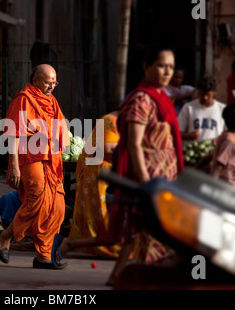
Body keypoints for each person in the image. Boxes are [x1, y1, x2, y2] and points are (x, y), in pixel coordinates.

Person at [53, 45, 185, 285]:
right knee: (134, 232)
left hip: (162, 179)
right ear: (146, 67)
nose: (167, 72)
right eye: (161, 66)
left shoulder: (162, 100)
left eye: (171, 67)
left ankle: (115, 273)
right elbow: (132, 145)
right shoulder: (141, 100)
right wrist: (146, 182)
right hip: (146, 179)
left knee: (128, 234)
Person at [0, 64, 70, 269]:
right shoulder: (23, 100)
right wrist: (14, 166)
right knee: (37, 201)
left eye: (54, 82)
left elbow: (60, 129)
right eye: (47, 82)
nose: (51, 86)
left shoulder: (52, 101)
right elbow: (13, 134)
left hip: (50, 160)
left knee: (57, 207)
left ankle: (43, 256)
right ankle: (6, 237)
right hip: (29, 158)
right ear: (35, 80)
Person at [66, 111, 122, 259]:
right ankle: (73, 243)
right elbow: (108, 151)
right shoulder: (110, 121)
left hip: (112, 171)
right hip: (99, 170)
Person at [177, 75, 226, 143]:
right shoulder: (188, 107)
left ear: (215, 92)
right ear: (199, 91)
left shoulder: (223, 109)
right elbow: (177, 132)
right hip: (194, 151)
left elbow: (228, 134)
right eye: (202, 94)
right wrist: (189, 136)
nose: (205, 97)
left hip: (215, 151)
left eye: (208, 95)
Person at [210, 103, 235, 187]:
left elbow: (209, 157)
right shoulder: (230, 142)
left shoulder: (228, 138)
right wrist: (211, 188)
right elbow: (218, 167)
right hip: (225, 187)